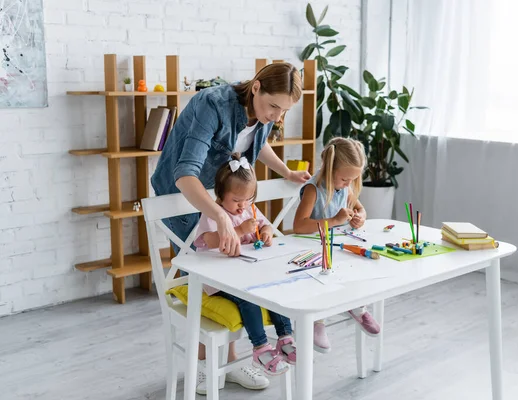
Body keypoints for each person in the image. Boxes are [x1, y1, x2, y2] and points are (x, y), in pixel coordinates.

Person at [151, 62, 310, 394]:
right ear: (256, 88)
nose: (277, 116)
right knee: (202, 282)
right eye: (273, 107)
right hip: (185, 196)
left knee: (234, 275)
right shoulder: (212, 104)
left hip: (225, 198)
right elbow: (185, 173)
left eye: (284, 110)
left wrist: (285, 172)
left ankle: (231, 364)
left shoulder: (263, 112)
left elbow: (257, 140)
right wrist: (221, 217)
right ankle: (204, 368)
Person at [194, 154, 296, 376]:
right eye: (236, 201)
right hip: (219, 282)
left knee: (274, 290)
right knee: (249, 299)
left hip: (247, 275)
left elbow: (265, 225)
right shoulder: (214, 213)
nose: (242, 207)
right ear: (220, 196)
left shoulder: (249, 209)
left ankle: (285, 337)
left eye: (248, 200)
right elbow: (210, 241)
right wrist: (239, 231)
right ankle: (260, 348)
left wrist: (267, 232)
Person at [293, 137, 381, 354]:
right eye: (344, 179)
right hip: (313, 250)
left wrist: (359, 216)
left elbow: (361, 209)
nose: (348, 184)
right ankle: (317, 321)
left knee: (357, 266)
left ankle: (357, 306)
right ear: (330, 168)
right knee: (325, 277)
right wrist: (333, 221)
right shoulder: (313, 190)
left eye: (353, 179)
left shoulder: (345, 188)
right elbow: (299, 225)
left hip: (338, 246)